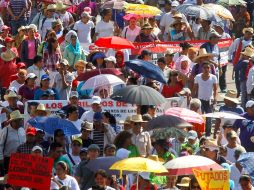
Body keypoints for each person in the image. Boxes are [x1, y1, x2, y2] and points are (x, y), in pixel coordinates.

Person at [192, 62, 218, 137]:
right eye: (205, 67)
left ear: (210, 69)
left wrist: (215, 98)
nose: (206, 69)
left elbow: (216, 89)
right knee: (200, 117)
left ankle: (208, 135)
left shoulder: (213, 77)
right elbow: (194, 88)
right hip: (200, 100)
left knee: (209, 118)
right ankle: (200, 133)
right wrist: (193, 99)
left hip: (210, 100)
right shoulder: (197, 77)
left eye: (208, 68)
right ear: (202, 69)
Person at [0, 110, 26, 175]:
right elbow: (0, 145)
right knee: (8, 178)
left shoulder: (22, 130)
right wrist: (1, 158)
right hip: (9, 159)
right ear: (12, 121)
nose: (19, 122)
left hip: (21, 159)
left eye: (20, 120)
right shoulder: (5, 130)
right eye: (17, 120)